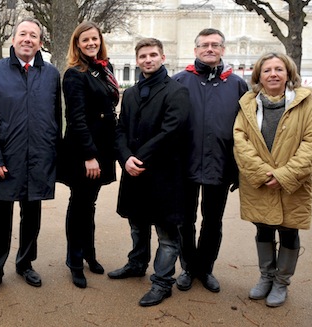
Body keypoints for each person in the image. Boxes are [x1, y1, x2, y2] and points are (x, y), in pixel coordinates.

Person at [0, 17, 62, 300]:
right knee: (0, 218)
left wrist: (52, 154)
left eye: (34, 35)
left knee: (32, 215)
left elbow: (55, 117)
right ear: (13, 39)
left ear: (40, 42)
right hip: (5, 158)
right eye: (23, 34)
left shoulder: (51, 74)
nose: (28, 39)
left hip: (39, 157)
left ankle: (25, 263)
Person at [234, 53, 312, 307]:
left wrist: (283, 176)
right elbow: (240, 141)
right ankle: (266, 277)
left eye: (279, 69)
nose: (273, 74)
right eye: (267, 70)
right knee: (262, 227)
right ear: (258, 76)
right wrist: (263, 174)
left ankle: (281, 282)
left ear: (289, 74)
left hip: (293, 184)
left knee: (288, 230)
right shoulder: (248, 105)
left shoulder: (308, 105)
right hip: (259, 182)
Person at [115, 38, 190, 307]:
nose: (148, 59)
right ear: (137, 60)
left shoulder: (176, 91)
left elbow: (171, 131)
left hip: (163, 174)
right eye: (143, 55)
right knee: (137, 224)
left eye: (153, 55)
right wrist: (125, 158)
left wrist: (138, 158)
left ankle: (162, 281)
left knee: (166, 232)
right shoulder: (132, 93)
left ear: (162, 57)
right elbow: (121, 128)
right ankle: (136, 264)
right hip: (134, 172)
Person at [172, 28, 248, 293]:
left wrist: (240, 168)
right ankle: (188, 267)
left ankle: (206, 268)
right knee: (185, 220)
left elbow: (246, 128)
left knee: (212, 221)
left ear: (223, 50)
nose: (210, 49)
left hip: (220, 164)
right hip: (186, 164)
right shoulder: (180, 80)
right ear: (195, 50)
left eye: (215, 45)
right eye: (204, 45)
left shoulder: (237, 84)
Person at [58, 22, 118, 288]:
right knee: (79, 203)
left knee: (89, 204)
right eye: (85, 40)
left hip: (102, 147)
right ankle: (74, 260)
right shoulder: (75, 74)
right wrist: (89, 155)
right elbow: (76, 118)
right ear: (77, 44)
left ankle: (89, 254)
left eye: (94, 38)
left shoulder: (104, 69)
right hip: (85, 150)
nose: (91, 43)